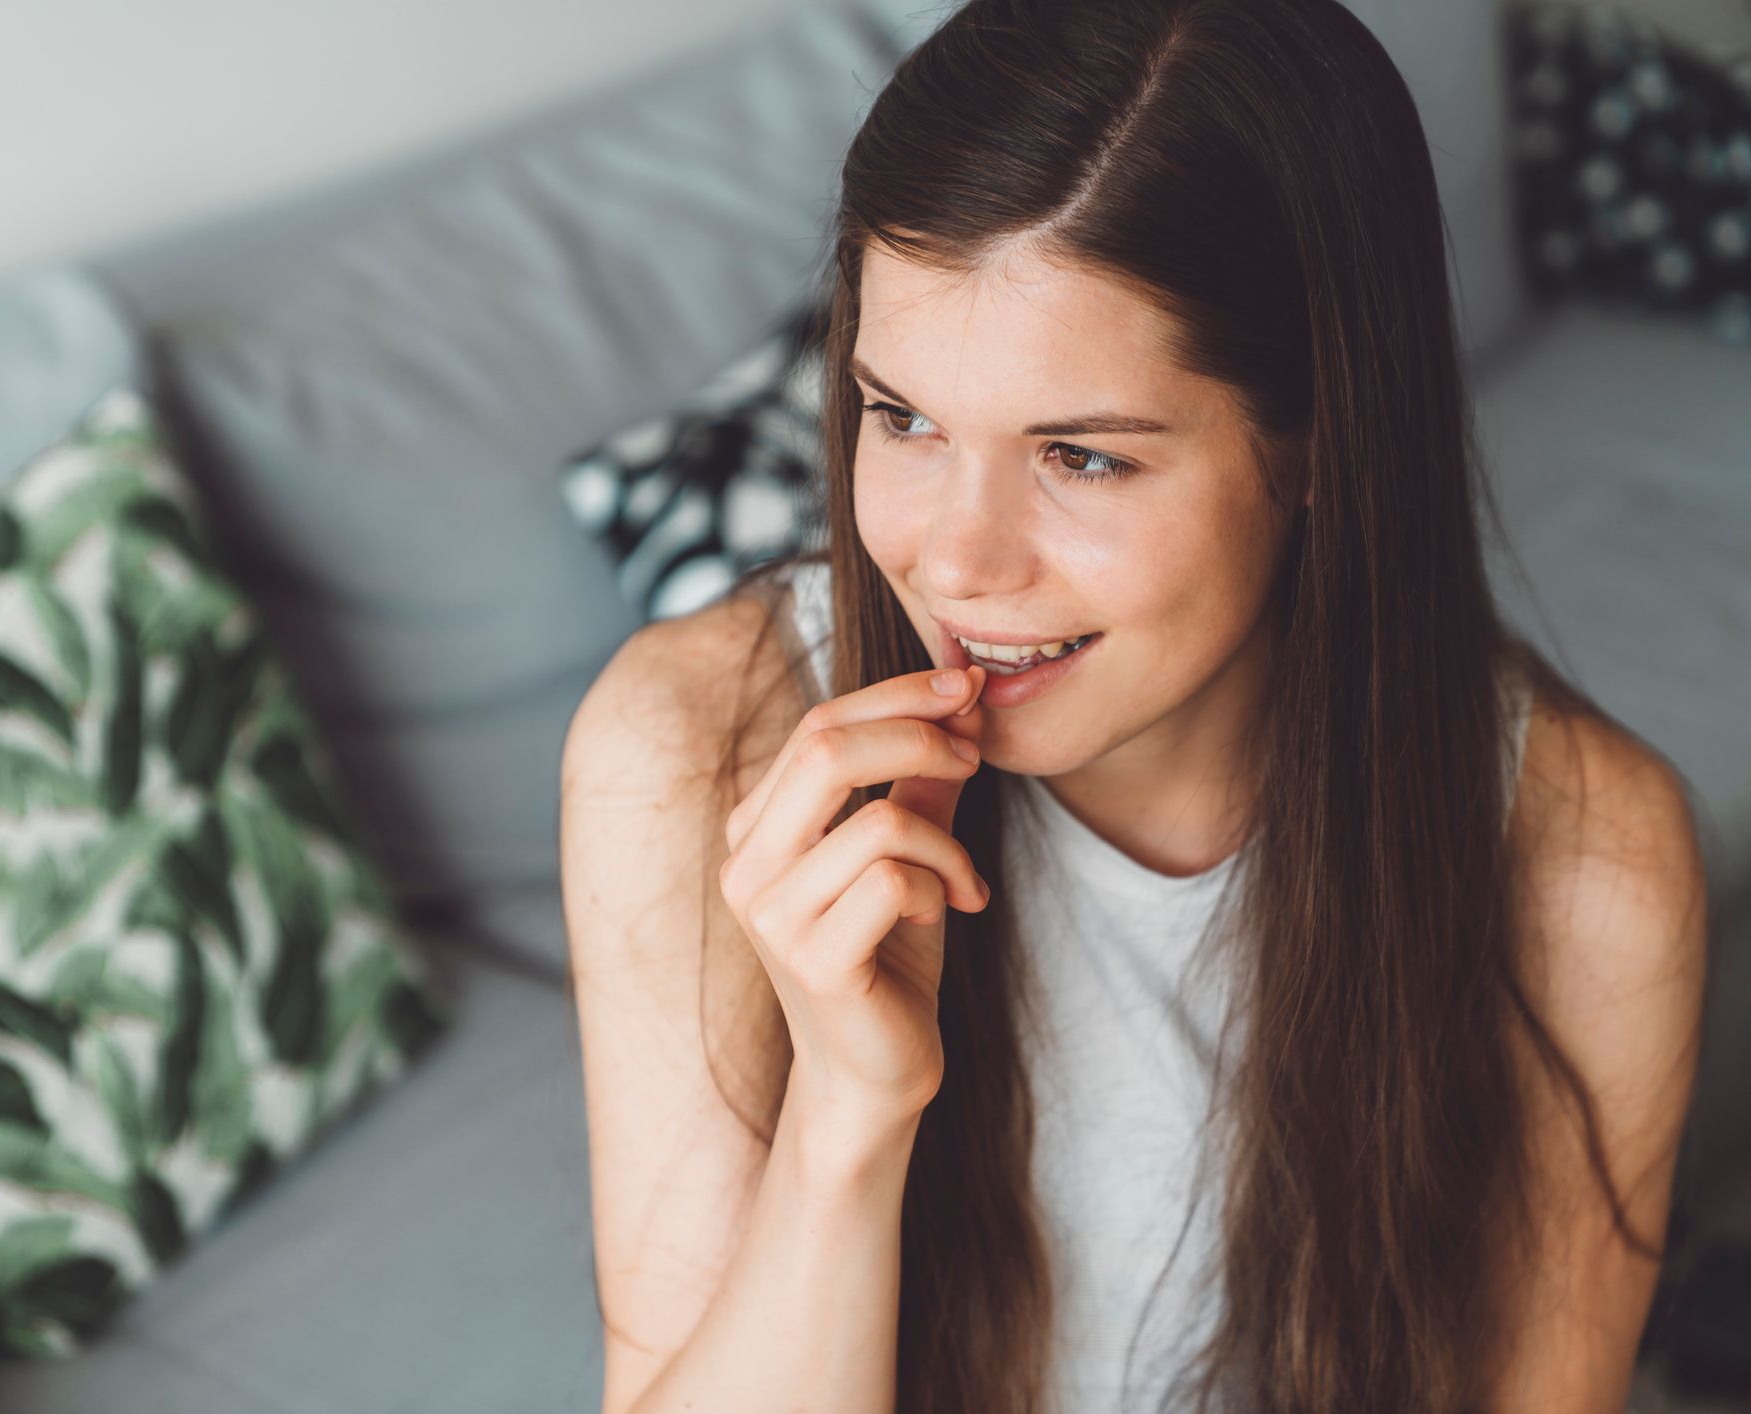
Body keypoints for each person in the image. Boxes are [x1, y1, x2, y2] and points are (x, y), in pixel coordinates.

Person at [557, 0, 1709, 1409]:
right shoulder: (682, 751)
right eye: (902, 417)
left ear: (1321, 445)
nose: (954, 561)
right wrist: (846, 1121)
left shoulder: (1593, 867)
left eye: (1083, 458)